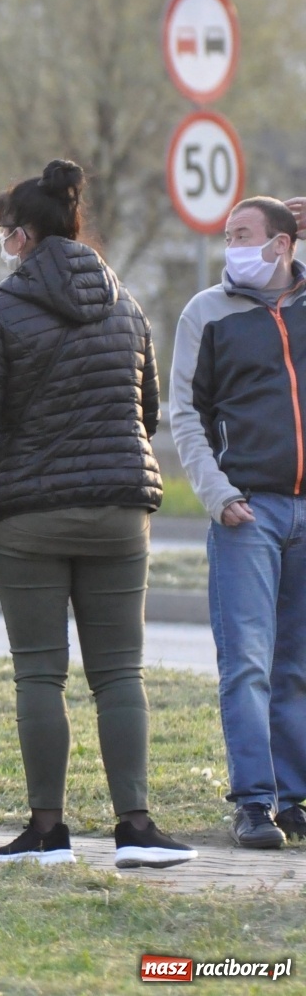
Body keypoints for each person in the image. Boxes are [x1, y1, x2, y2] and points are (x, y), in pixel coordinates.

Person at [0, 160, 197, 869]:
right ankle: (137, 827)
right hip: (121, 512)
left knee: (40, 673)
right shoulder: (127, 306)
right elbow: (148, 413)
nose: (3, 246)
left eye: (6, 234)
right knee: (120, 672)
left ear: (27, 236)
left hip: (30, 516)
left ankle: (46, 832)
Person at [169, 195, 306, 849]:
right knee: (247, 663)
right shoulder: (207, 312)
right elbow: (184, 414)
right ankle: (254, 801)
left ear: (282, 244)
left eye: (245, 233)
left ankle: (295, 795)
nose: (232, 245)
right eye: (226, 234)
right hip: (245, 510)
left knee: (297, 664)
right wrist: (216, 492)